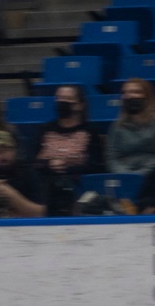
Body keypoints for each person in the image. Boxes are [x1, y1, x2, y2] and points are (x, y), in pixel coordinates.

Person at [32, 84, 104, 216]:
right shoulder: (44, 129)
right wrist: (49, 164)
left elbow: (96, 166)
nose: (62, 102)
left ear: (79, 105)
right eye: (59, 98)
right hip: (45, 184)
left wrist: (67, 167)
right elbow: (31, 161)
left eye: (67, 98)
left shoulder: (90, 132)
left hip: (77, 185)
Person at [105, 77, 155, 175]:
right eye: (125, 93)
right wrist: (125, 175)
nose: (129, 96)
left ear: (147, 96)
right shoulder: (117, 125)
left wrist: (146, 174)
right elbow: (111, 158)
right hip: (125, 176)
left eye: (136, 92)